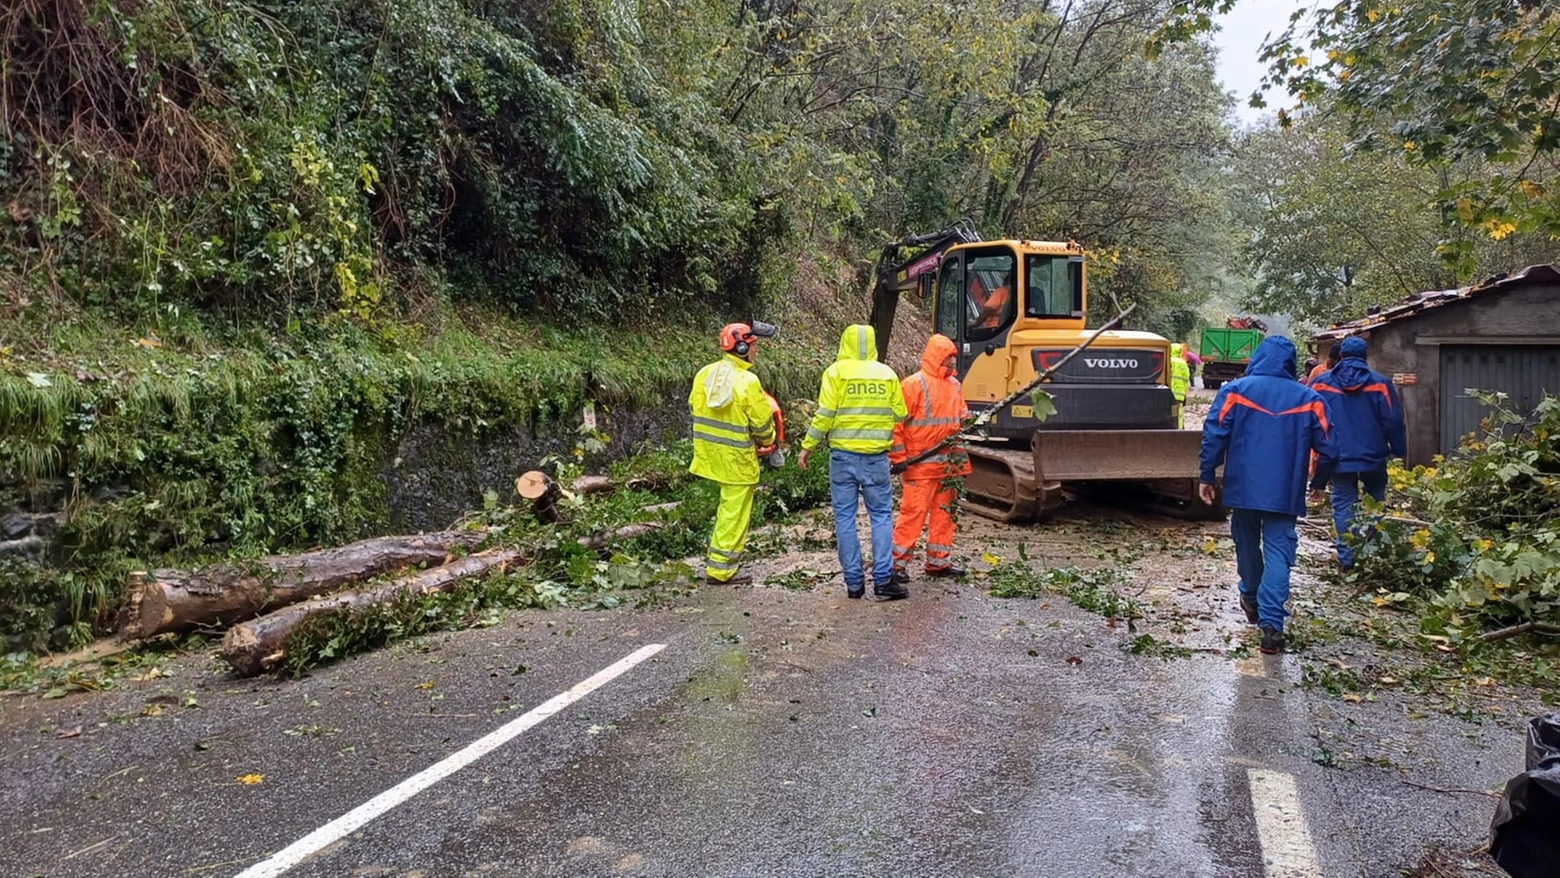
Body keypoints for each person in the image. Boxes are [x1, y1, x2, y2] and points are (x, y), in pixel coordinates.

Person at [1199, 336, 1338, 654]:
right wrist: (1320, 481)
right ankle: (1272, 627)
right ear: (1290, 362)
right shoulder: (1309, 398)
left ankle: (1249, 596)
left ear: (1258, 358)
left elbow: (1214, 435)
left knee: (1246, 543)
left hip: (1243, 487)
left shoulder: (1235, 391)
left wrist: (1207, 474)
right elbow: (1329, 447)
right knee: (1279, 552)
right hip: (1284, 491)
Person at [798, 325, 909, 600]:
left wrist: (807, 447)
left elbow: (824, 415)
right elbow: (901, 414)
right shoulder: (887, 374)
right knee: (881, 517)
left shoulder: (835, 373)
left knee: (844, 518)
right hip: (876, 459)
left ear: (844, 343)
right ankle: (883, 581)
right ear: (872, 344)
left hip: (842, 458)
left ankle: (854, 584)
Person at [688, 322, 779, 585]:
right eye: (754, 346)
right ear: (741, 348)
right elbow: (762, 425)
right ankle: (721, 570)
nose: (756, 352)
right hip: (737, 459)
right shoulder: (748, 381)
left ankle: (718, 562)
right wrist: (769, 441)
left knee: (726, 508)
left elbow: (695, 407)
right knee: (733, 513)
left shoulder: (704, 373)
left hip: (709, 454)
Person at [1311, 336, 1407, 570]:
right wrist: (1399, 450)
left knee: (1344, 504)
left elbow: (1310, 419)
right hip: (1373, 455)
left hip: (1337, 455)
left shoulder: (1322, 384)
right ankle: (1371, 553)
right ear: (1366, 356)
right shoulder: (1381, 384)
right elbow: (1393, 421)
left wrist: (1314, 452)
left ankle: (1348, 559)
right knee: (1374, 502)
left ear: (1341, 356)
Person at [888, 334, 971, 582]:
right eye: (948, 359)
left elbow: (963, 418)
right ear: (936, 358)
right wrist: (898, 457)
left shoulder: (955, 385)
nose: (952, 364)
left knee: (945, 517)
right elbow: (896, 425)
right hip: (920, 467)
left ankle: (938, 563)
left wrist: (975, 423)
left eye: (954, 360)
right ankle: (896, 566)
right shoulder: (913, 385)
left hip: (948, 466)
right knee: (912, 516)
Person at [1169, 342, 1191, 426]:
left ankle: (1172, 428)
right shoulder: (1183, 363)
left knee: (1171, 414)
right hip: (1180, 394)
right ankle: (1180, 429)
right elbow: (1186, 379)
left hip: (1170, 393)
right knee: (1179, 414)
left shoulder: (1169, 361)